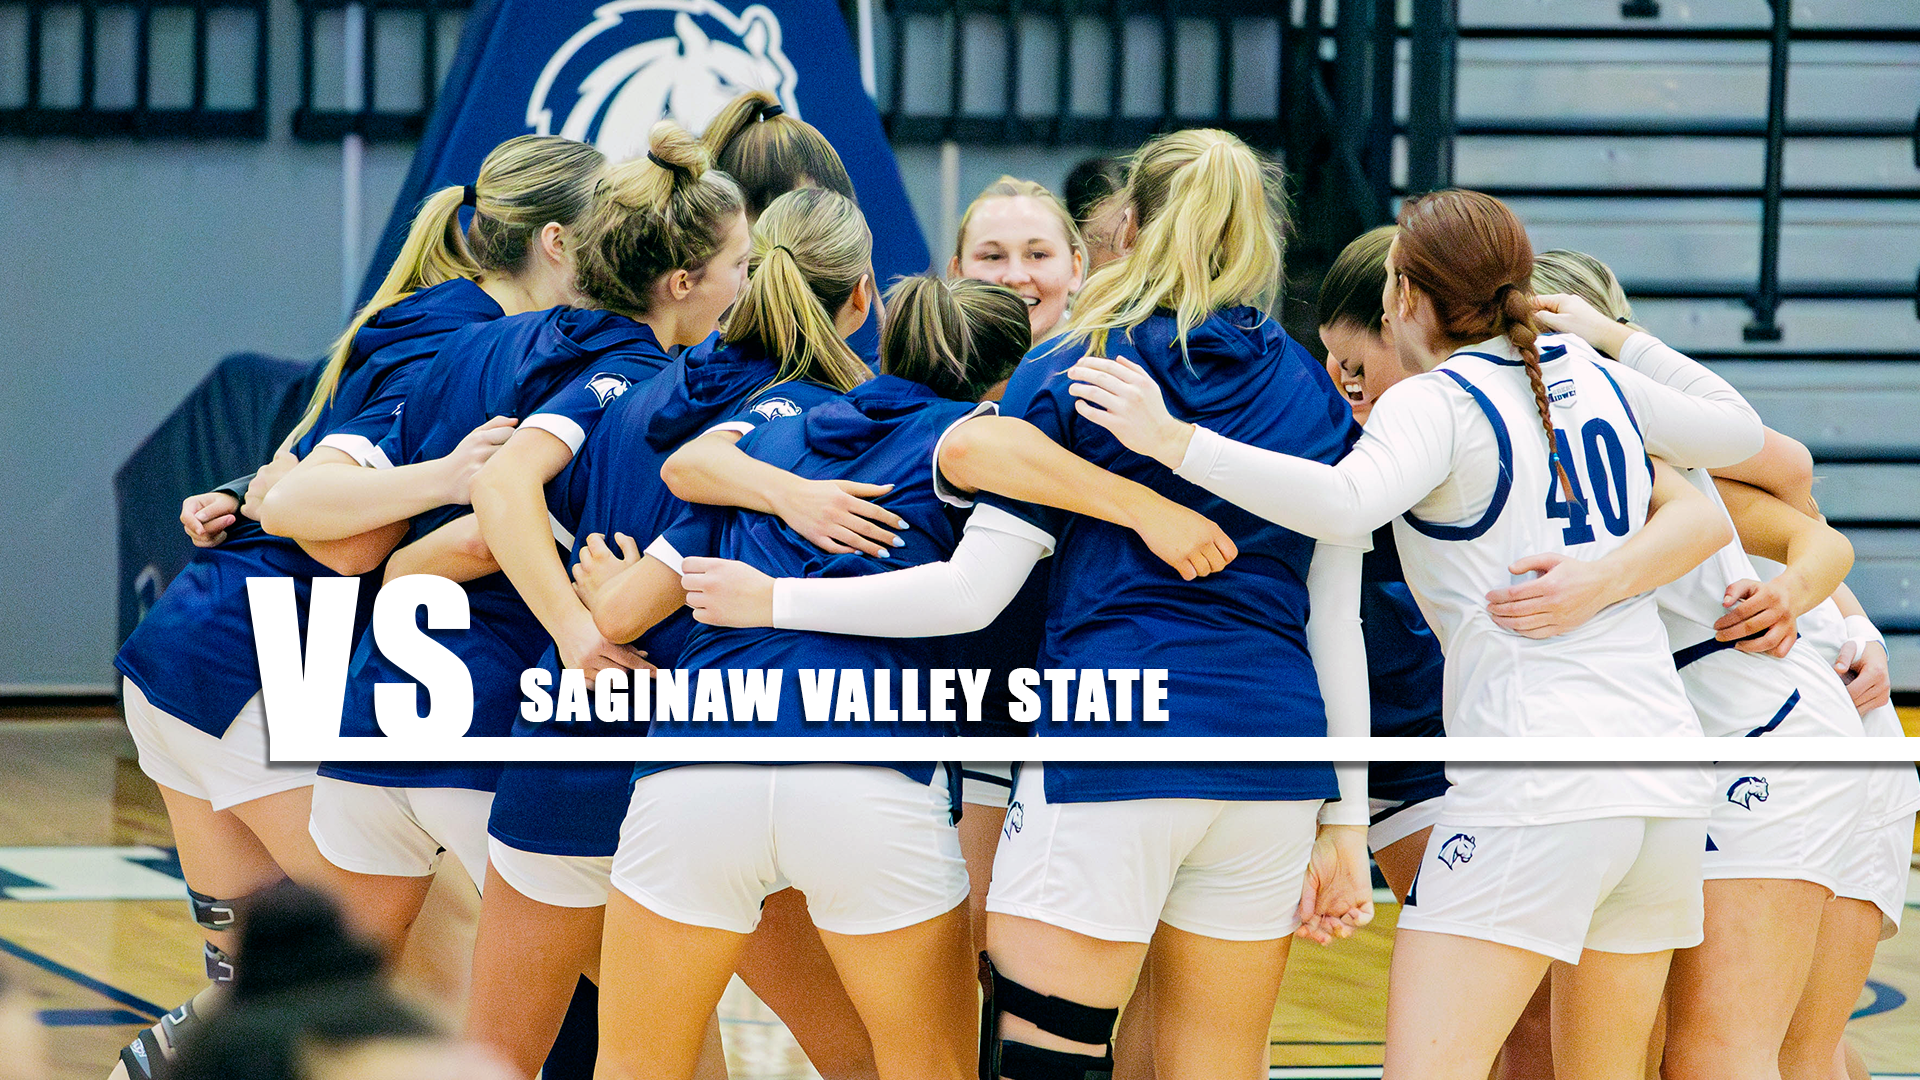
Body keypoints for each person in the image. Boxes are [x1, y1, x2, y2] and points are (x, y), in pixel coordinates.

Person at [684, 128, 1375, 1080]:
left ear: (1119, 228)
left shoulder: (1076, 368)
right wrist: (1343, 819)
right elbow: (1333, 621)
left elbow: (970, 593)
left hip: (1112, 740)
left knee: (1041, 1055)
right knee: (1215, 1060)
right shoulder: (1309, 386)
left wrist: (774, 600)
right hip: (1270, 757)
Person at [1064, 187, 1765, 1080]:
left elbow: (1343, 502)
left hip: (1540, 783)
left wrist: (1177, 442)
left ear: (1401, 295)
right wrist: (1614, 334)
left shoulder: (1435, 400)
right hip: (1664, 784)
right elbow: (1740, 430)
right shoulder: (1587, 372)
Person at [110, 133, 603, 1078]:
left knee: (258, 1001)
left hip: (200, 655)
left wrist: (253, 486)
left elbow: (307, 472)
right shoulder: (457, 335)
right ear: (554, 241)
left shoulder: (445, 322)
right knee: (437, 992)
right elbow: (331, 523)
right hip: (265, 666)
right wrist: (443, 479)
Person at [260, 121, 742, 971]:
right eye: (739, 266)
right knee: (643, 1022)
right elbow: (490, 524)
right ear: (677, 281)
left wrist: (400, 562)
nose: (745, 288)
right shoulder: (632, 383)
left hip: (371, 722)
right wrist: (577, 624)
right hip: (484, 726)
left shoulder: (467, 342)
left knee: (341, 1009)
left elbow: (367, 527)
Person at [462, 186, 879, 1079]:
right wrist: (608, 607)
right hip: (702, 768)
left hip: (564, 751)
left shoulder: (628, 392)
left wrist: (577, 623)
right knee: (871, 1056)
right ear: (861, 296)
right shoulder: (817, 420)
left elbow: (502, 505)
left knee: (503, 1057)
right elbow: (638, 597)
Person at [582, 275, 1038, 1080]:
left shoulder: (760, 440)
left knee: (632, 1067)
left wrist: (601, 595)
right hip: (864, 771)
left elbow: (629, 603)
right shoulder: (981, 444)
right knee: (927, 1066)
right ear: (1004, 382)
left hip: (696, 767)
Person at [949, 176, 1085, 347]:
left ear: (1075, 270)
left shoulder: (1115, 365)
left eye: (1038, 255)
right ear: (957, 274)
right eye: (993, 257)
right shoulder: (925, 370)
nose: (1015, 277)